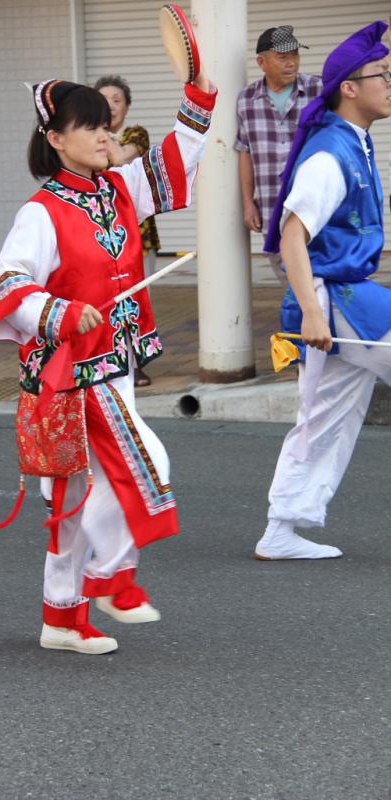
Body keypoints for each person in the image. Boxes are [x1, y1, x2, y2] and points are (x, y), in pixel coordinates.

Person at [0, 73, 217, 653]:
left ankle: (61, 619)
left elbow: (170, 164)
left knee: (73, 498)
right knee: (143, 461)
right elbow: (7, 286)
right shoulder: (41, 211)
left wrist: (197, 99)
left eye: (103, 122)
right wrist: (61, 312)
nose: (101, 132)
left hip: (112, 364)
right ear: (56, 139)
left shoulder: (117, 188)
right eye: (86, 125)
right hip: (70, 372)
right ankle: (113, 581)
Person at [254, 21, 391, 560]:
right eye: (382, 74)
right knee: (323, 417)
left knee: (327, 417)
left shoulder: (352, 140)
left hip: (338, 297)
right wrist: (312, 314)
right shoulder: (331, 150)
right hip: (335, 298)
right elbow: (292, 235)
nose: (390, 83)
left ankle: (280, 529)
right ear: (350, 88)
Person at [235, 25, 321, 285]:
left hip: (316, 205)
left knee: (322, 282)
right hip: (273, 207)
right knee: (290, 285)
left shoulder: (319, 89)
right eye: (283, 57)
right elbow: (245, 152)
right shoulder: (246, 100)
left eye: (295, 55)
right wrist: (248, 203)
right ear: (262, 62)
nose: (292, 62)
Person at [94, 74, 161, 388]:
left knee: (137, 298)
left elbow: (121, 156)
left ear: (128, 106)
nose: (110, 106)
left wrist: (103, 136)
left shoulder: (136, 134)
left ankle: (136, 362)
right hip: (99, 231)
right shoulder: (87, 139)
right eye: (103, 101)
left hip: (138, 233)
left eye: (117, 100)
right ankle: (111, 361)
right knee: (106, 299)